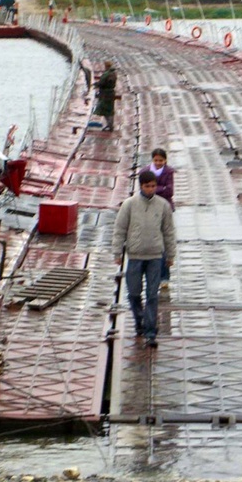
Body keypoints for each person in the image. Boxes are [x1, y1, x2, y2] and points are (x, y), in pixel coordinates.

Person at [112, 170, 176, 348]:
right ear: (141, 186)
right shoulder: (129, 205)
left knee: (152, 295)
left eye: (153, 186)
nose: (151, 189)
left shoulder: (163, 206)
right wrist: (117, 253)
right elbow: (120, 229)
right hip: (135, 255)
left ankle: (150, 332)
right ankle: (139, 319)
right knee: (133, 293)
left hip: (155, 255)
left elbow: (169, 232)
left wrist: (170, 255)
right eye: (147, 186)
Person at [140, 148, 175, 292]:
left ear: (165, 160)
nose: (159, 163)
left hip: (164, 210)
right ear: (152, 160)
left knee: (164, 244)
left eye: (161, 160)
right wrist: (162, 188)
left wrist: (155, 190)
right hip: (147, 210)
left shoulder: (169, 172)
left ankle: (164, 276)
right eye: (156, 160)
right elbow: (142, 191)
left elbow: (170, 191)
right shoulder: (144, 171)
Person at [94, 61, 117, 132]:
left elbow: (102, 83)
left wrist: (95, 84)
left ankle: (109, 125)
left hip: (105, 94)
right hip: (111, 93)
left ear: (106, 66)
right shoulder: (113, 73)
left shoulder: (106, 74)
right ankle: (110, 125)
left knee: (105, 109)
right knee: (110, 110)